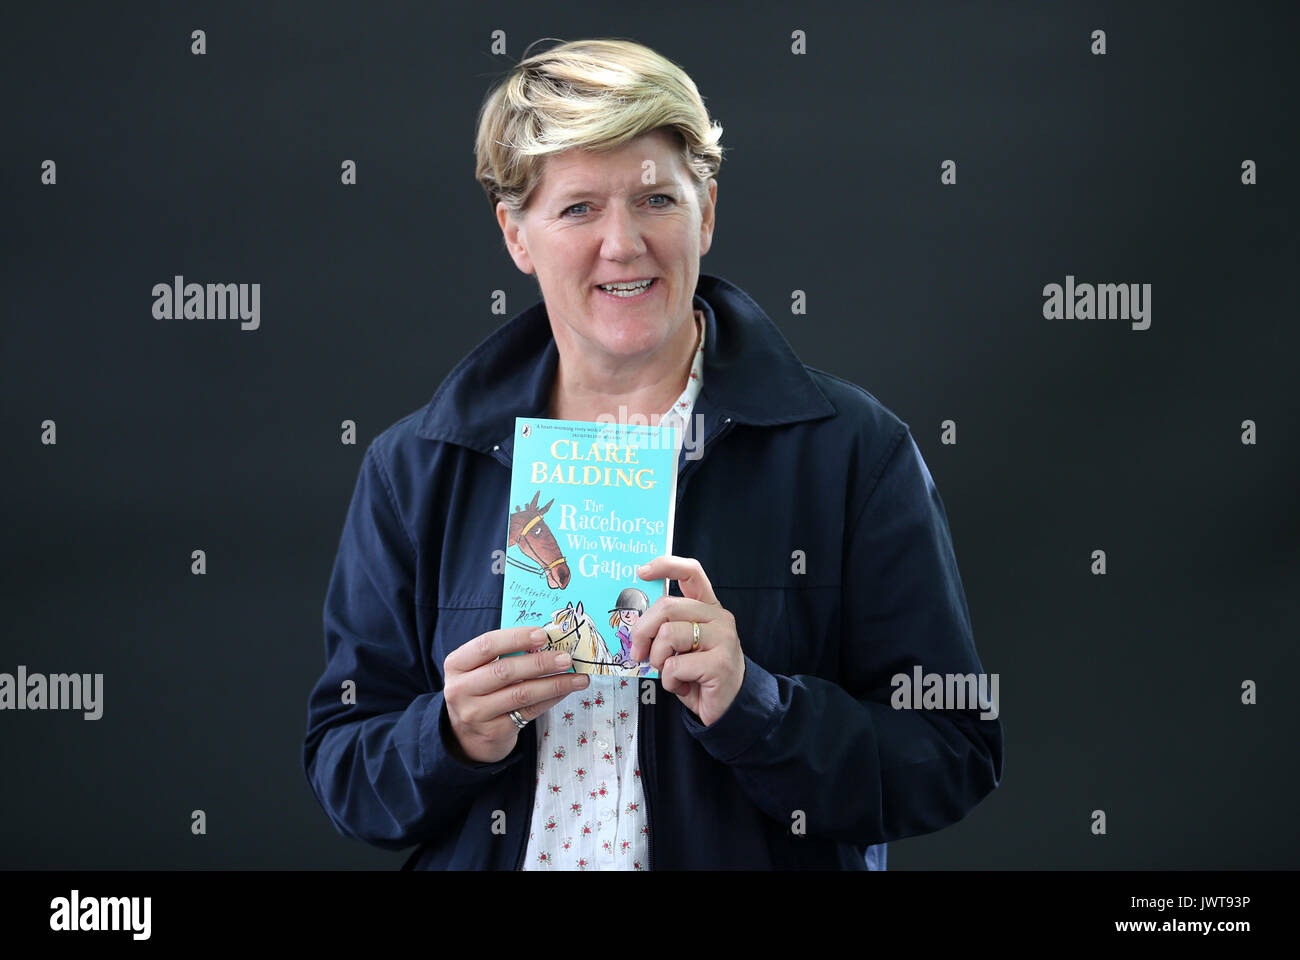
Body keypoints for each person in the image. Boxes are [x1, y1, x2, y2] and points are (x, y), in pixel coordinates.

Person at [301, 38, 1003, 870]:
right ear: (516, 235)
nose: (624, 243)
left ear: (707, 210)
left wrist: (759, 706)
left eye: (656, 200)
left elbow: (954, 755)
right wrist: (448, 736)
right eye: (577, 209)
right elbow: (344, 768)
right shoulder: (417, 467)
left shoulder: (853, 450)